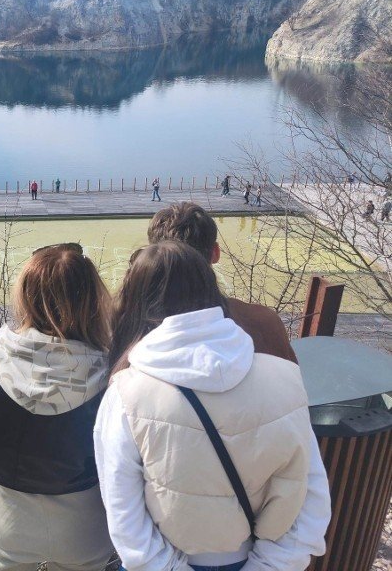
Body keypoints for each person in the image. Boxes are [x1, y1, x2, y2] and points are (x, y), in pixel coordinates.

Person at [95, 241, 331, 571]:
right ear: (211, 289)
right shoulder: (284, 378)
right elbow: (312, 500)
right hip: (260, 558)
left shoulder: (126, 393)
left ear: (136, 304)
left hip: (162, 563)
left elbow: (124, 517)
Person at [0, 243, 115, 571]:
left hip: (6, 516)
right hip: (85, 523)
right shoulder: (111, 374)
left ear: (27, 296)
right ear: (91, 300)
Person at [147, 202, 297, 361]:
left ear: (153, 257)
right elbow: (292, 377)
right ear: (216, 253)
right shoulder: (264, 322)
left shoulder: (132, 328)